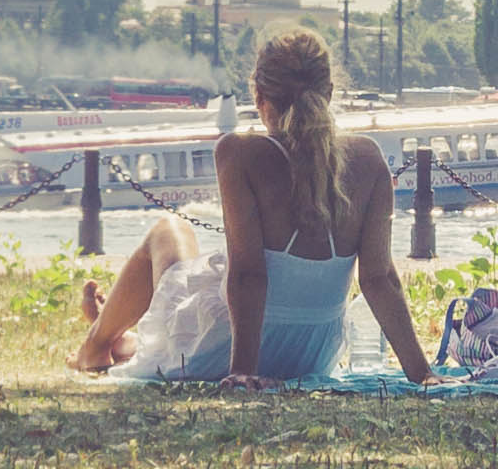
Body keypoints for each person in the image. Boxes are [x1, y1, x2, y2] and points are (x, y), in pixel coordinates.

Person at [72, 25, 437, 388]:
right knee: (188, 317)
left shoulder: (240, 153)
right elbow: (379, 279)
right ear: (329, 92)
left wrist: (243, 371)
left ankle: (98, 342)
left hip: (237, 347)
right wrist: (422, 374)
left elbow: (248, 274)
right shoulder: (369, 159)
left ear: (259, 95)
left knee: (170, 230)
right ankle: (120, 340)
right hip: (311, 352)